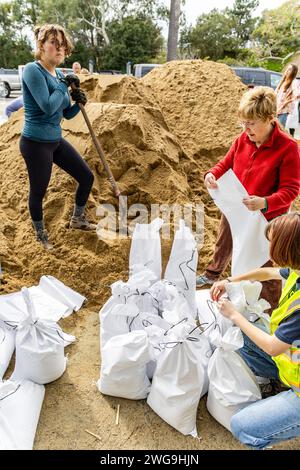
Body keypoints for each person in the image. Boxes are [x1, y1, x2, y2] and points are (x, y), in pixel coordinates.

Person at [197, 86, 300, 311]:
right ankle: (215, 275)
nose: (246, 129)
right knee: (225, 241)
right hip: (238, 206)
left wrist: (264, 202)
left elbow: (291, 190)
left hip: (266, 220)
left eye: (251, 123)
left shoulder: (288, 147)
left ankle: (270, 309)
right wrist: (211, 174)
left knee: (265, 263)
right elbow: (225, 164)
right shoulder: (242, 139)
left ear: (270, 119)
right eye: (243, 123)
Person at [210, 212, 300, 450]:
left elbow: (273, 346)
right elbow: (268, 273)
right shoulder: (297, 270)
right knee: (244, 340)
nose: (268, 247)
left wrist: (234, 314)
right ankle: (280, 388)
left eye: (272, 242)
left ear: (287, 246)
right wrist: (230, 280)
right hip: (293, 367)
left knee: (243, 427)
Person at [19, 24, 96, 250]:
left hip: (55, 140)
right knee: (38, 191)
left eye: (62, 45)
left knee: (86, 176)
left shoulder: (59, 74)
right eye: (53, 43)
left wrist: (79, 102)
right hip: (35, 144)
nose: (59, 48)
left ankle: (77, 219)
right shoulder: (34, 71)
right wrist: (63, 88)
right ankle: (40, 233)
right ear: (41, 46)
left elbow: (63, 113)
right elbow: (45, 107)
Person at [275, 63, 299, 128]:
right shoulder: (283, 81)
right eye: (287, 68)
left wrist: (287, 101)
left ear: (293, 72)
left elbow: (297, 95)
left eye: (290, 69)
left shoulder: (294, 82)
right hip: (277, 110)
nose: (287, 70)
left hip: (284, 112)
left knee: (279, 130)